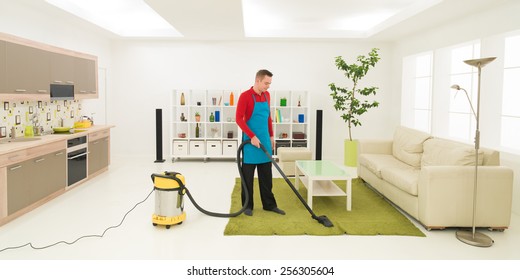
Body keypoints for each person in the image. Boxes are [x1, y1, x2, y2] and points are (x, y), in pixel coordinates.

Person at [236, 69, 285, 216]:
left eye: (269, 83)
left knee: (266, 177)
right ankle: (247, 206)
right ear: (257, 80)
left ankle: (269, 205)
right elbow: (239, 119)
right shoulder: (245, 96)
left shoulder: (267, 95)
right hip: (250, 143)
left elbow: (268, 117)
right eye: (266, 83)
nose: (268, 86)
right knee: (248, 178)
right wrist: (251, 136)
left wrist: (271, 136)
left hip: (264, 140)